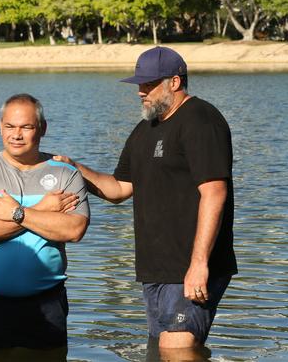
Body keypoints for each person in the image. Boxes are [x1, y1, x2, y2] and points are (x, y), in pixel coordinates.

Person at [55, 46, 237, 353]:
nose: (141, 92)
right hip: (155, 268)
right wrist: (74, 168)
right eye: (139, 84)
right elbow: (119, 188)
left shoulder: (201, 121)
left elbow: (215, 191)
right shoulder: (144, 130)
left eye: (148, 85)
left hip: (191, 265)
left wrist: (199, 263)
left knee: (176, 348)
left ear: (175, 83)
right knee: (159, 350)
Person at [0, 93, 90, 351]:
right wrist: (42, 210)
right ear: (0, 126)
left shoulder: (65, 173)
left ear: (42, 128)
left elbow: (74, 229)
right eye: (9, 126)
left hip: (48, 304)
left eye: (26, 127)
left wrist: (15, 213)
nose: (16, 134)